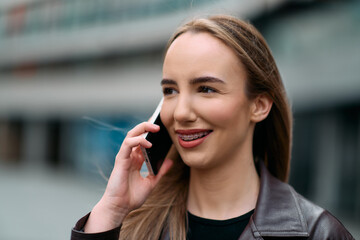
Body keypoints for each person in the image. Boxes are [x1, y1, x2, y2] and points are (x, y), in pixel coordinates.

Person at [71, 15, 354, 240]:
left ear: (259, 105)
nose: (180, 112)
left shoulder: (319, 233)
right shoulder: (129, 226)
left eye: (205, 89)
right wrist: (111, 212)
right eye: (170, 91)